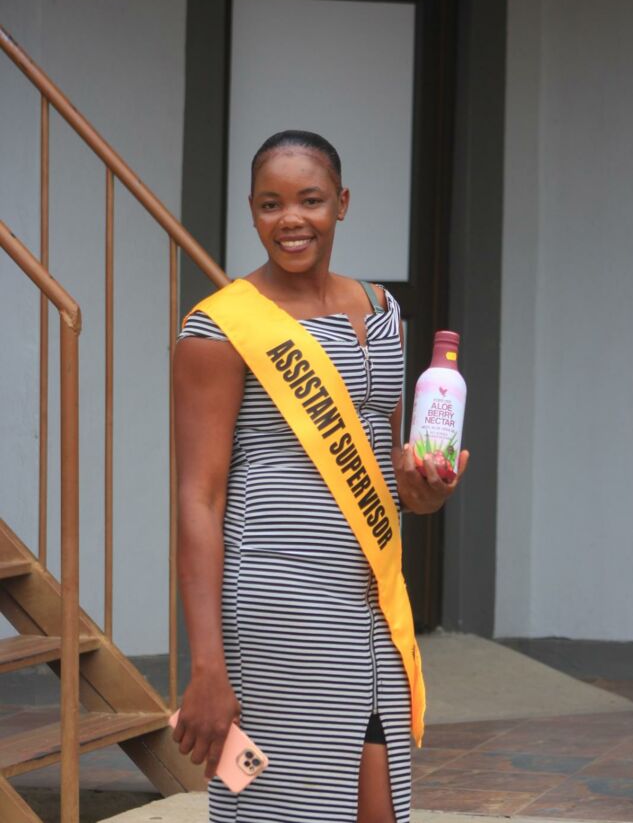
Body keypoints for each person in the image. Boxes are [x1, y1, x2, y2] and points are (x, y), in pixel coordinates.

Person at [172, 130, 469, 823]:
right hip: (274, 603)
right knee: (274, 800)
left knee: (379, 805)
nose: (291, 219)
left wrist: (423, 491)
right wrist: (207, 663)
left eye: (309, 200)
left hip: (371, 604)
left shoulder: (384, 312)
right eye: (270, 204)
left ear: (342, 203)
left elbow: (385, 465)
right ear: (251, 210)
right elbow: (198, 498)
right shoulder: (218, 330)